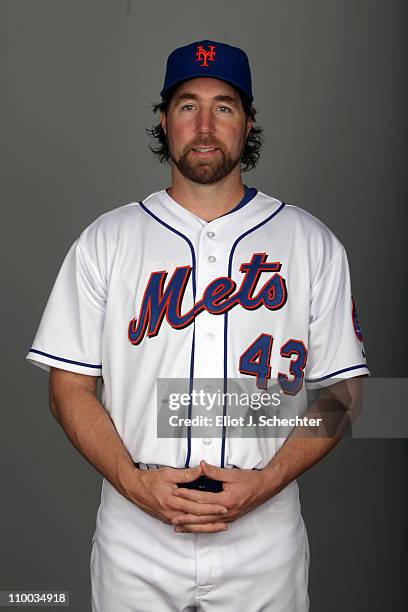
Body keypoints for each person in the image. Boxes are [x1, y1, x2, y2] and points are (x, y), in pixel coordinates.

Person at [26, 40, 369, 611]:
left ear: (249, 121)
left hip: (265, 528)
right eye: (187, 105)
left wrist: (267, 481)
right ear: (164, 119)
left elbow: (344, 393)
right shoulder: (107, 241)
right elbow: (68, 389)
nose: (205, 124)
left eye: (224, 106)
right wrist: (135, 486)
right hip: (136, 529)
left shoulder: (311, 243)